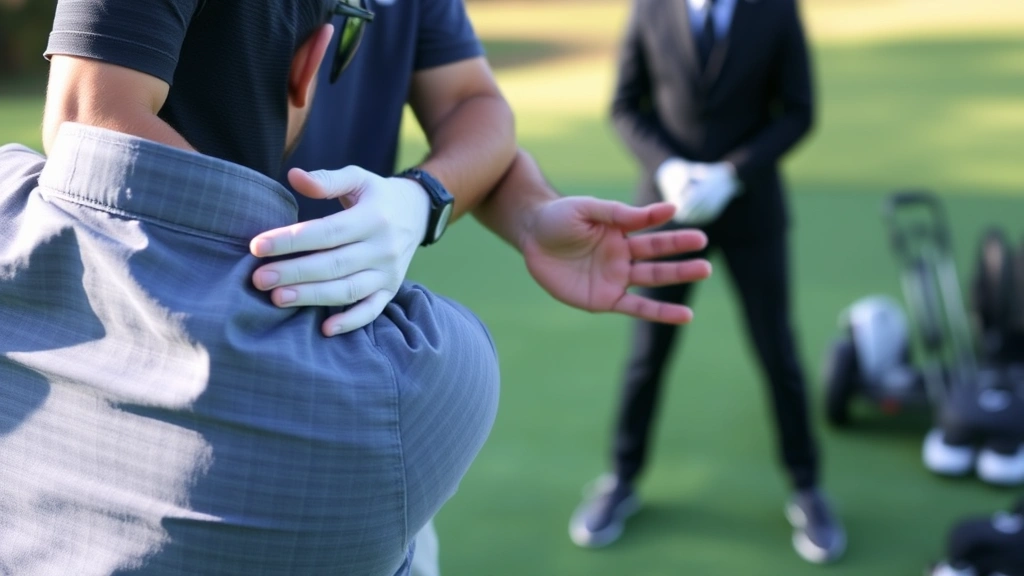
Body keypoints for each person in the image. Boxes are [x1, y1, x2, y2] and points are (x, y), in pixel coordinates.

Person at [1, 2, 713, 575]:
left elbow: (474, 103)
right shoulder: (436, 380)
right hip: (164, 377)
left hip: (328, 385)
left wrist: (437, 200)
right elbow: (90, 121)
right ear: (311, 66)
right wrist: (284, 268)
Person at [0, 1, 500, 574]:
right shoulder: (419, 372)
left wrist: (437, 199)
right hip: (341, 412)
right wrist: (418, 201)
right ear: (310, 67)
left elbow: (87, 117)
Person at [567, 0, 847, 564]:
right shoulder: (649, 8)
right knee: (648, 353)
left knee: (778, 354)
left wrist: (733, 173)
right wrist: (668, 166)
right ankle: (621, 478)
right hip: (665, 213)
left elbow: (798, 112)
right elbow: (625, 106)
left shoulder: (776, 9)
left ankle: (807, 486)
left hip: (751, 212)